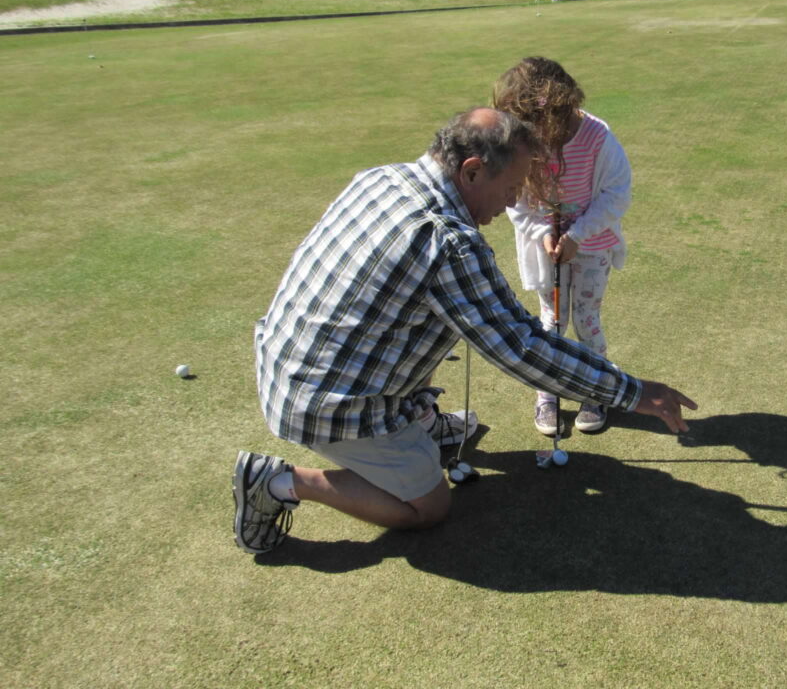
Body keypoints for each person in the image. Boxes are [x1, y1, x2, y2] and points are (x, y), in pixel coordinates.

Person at [232, 107, 698, 554]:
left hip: (288, 361)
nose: (515, 200)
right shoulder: (445, 239)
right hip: (326, 403)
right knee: (429, 506)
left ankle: (419, 421)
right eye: (513, 186)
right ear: (473, 171)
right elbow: (522, 347)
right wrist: (630, 391)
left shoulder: (380, 177)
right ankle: (278, 481)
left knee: (407, 324)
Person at [493, 57, 635, 435]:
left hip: (592, 245)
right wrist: (543, 232)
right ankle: (549, 392)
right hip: (545, 248)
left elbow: (616, 194)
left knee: (587, 320)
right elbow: (516, 201)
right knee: (552, 323)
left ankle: (596, 390)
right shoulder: (521, 142)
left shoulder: (596, 136)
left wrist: (576, 237)